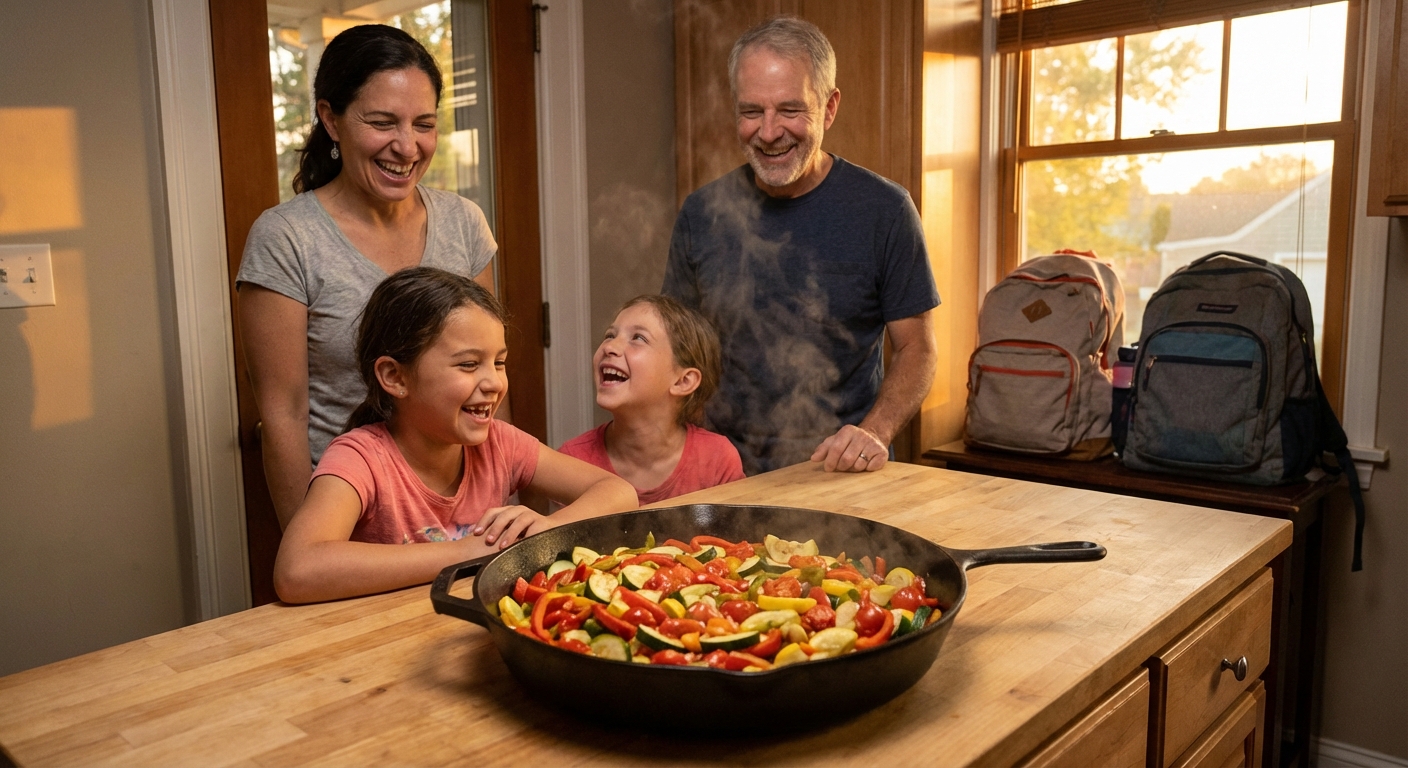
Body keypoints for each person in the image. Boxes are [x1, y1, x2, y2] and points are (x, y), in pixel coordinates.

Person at [237, 24, 499, 529]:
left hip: (464, 518)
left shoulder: (464, 223)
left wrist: (499, 506)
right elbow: (284, 413)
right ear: (330, 119)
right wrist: (310, 546)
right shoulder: (287, 237)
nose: (407, 147)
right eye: (382, 123)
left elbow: (486, 378)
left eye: (424, 124)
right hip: (352, 521)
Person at [662, 16, 940, 476]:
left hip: (841, 471)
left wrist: (874, 432)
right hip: (725, 472)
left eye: (790, 110)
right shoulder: (701, 212)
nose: (769, 132)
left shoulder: (885, 210)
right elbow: (678, 349)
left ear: (829, 108)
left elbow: (918, 349)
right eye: (752, 112)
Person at [273, 268, 636, 604]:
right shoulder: (359, 458)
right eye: (468, 364)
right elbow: (296, 570)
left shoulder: (501, 444)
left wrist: (549, 527)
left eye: (499, 362)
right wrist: (463, 552)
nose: (494, 383)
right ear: (395, 377)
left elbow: (619, 492)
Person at [560, 295, 744, 503]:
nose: (609, 347)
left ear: (683, 381)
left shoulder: (717, 459)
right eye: (610, 335)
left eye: (638, 338)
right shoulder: (571, 461)